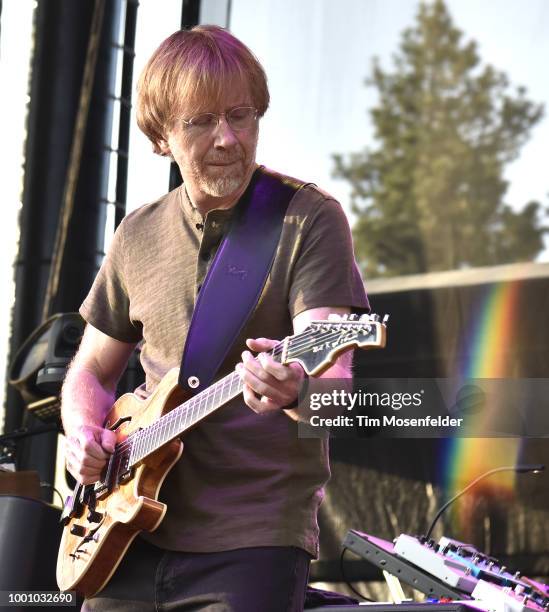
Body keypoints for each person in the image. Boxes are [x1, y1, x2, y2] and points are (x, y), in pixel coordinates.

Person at [61, 25, 369, 612]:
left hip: (251, 538)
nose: (228, 139)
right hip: (125, 536)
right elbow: (91, 374)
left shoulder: (309, 219)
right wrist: (82, 434)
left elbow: (334, 380)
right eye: (201, 122)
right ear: (160, 137)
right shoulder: (137, 233)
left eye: (241, 115)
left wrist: (297, 388)